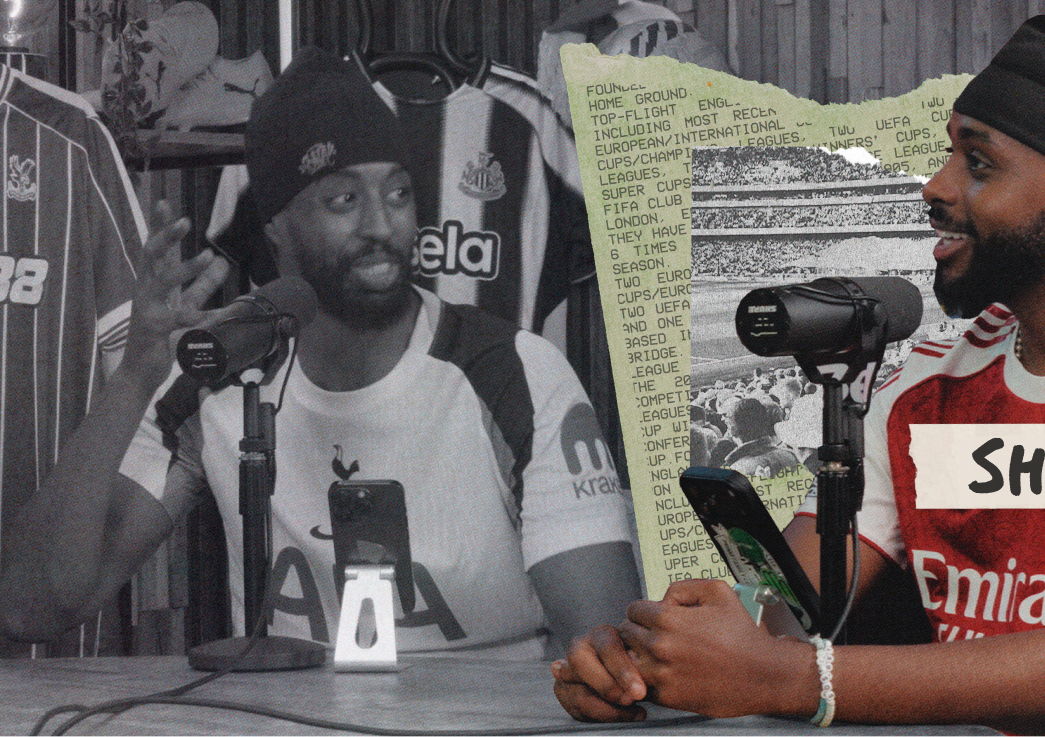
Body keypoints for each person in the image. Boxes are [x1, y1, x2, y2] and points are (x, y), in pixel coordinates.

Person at [552, 14, 1045, 734]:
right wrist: (653, 663)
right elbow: (782, 618)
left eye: (978, 163)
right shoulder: (928, 381)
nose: (937, 187)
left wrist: (787, 678)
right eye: (951, 152)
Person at [0, 47, 640, 660]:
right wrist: (136, 378)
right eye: (343, 200)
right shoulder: (217, 377)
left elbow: (607, 648)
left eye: (397, 194)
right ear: (275, 225)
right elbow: (34, 607)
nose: (381, 228)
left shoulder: (516, 373)